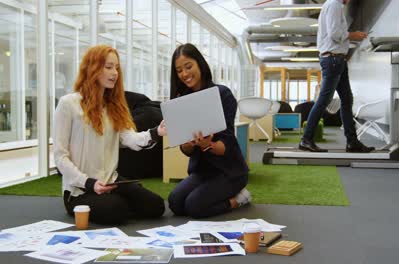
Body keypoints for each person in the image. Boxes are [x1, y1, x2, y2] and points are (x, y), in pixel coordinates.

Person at [54, 45, 166, 225]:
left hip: (111, 182)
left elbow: (130, 138)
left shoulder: (113, 107)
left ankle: (115, 203)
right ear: (92, 68)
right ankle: (111, 204)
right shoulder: (68, 104)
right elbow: (60, 157)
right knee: (117, 210)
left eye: (116, 68)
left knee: (157, 206)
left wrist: (156, 132)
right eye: (108, 67)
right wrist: (89, 183)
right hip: (80, 190)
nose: (115, 73)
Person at [167, 43, 251, 218]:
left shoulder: (223, 94)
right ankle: (215, 195)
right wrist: (189, 144)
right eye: (179, 70)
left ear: (200, 64)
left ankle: (239, 198)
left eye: (188, 66)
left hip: (230, 171)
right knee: (175, 202)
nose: (184, 74)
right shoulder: (181, 101)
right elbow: (185, 150)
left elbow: (225, 147)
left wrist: (207, 145)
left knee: (194, 206)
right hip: (202, 171)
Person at [299, 0, 375, 153]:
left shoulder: (335, 5)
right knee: (324, 100)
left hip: (338, 60)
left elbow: (336, 34)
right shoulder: (334, 4)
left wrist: (350, 37)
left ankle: (352, 142)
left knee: (347, 100)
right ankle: (306, 139)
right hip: (333, 60)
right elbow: (335, 34)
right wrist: (354, 35)